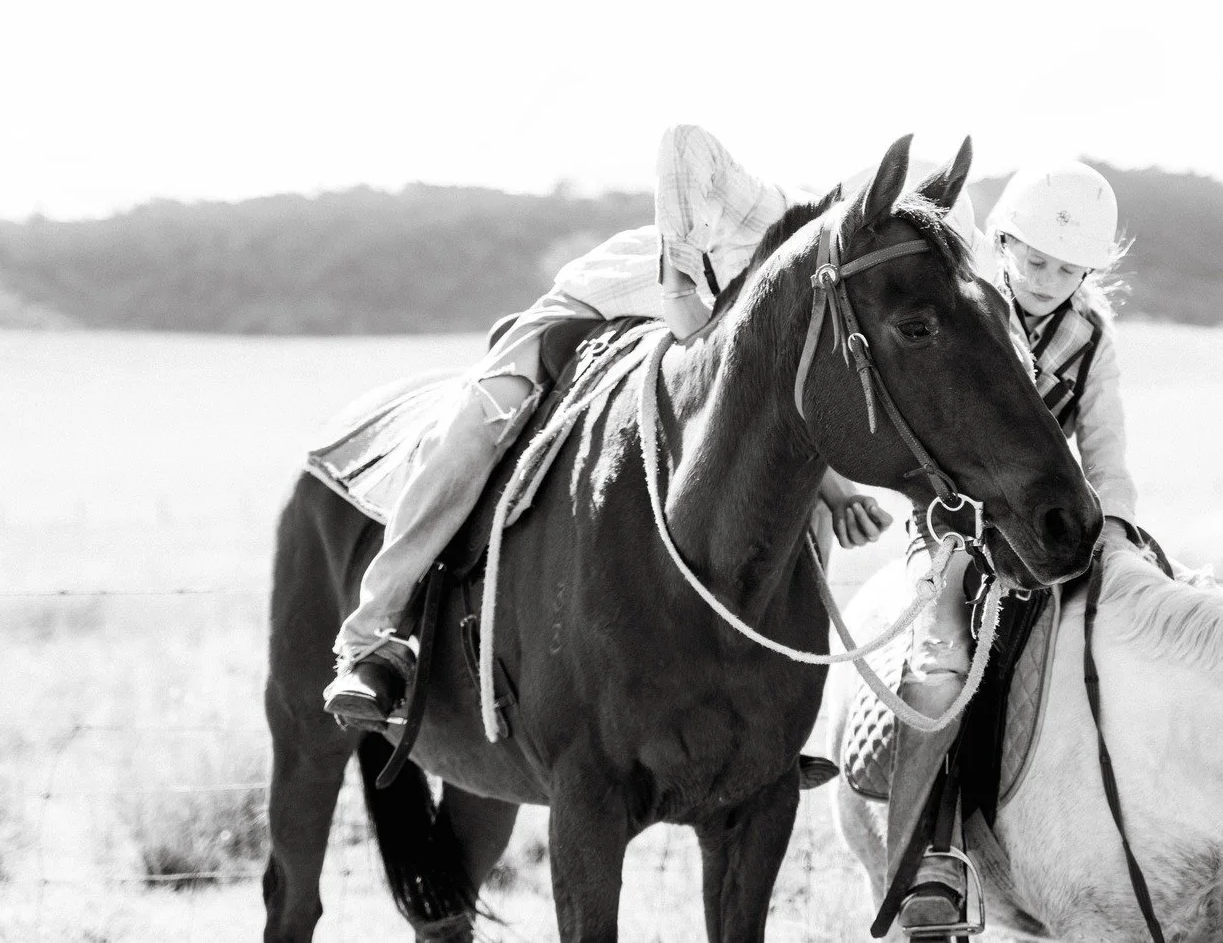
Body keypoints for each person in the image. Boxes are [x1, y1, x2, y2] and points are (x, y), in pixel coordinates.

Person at [321, 125, 894, 728]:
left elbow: (766, 400)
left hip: (681, 345)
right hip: (584, 316)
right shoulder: (766, 210)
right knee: (473, 432)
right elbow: (683, 142)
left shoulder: (816, 285)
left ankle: (771, 712)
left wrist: (838, 491)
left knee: (793, 500)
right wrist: (677, 267)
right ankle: (371, 638)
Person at [892, 159, 1144, 938]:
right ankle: (931, 861)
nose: (1045, 277)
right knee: (939, 671)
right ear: (1000, 241)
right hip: (956, 521)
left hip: (1047, 527)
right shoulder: (962, 310)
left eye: (1066, 267)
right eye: (1033, 258)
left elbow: (1105, 458)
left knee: (1129, 641)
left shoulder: (1091, 339)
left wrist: (1124, 545)